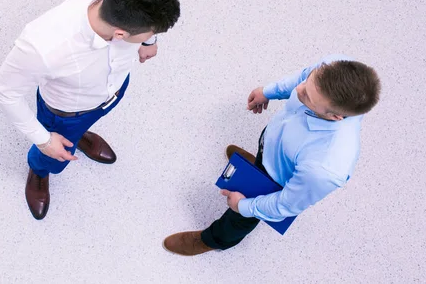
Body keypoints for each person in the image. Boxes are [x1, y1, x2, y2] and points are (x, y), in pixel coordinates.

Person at [0, 0, 180, 220]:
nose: (151, 38)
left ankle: (79, 136)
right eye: (148, 34)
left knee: (87, 123)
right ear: (121, 35)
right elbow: (3, 92)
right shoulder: (43, 46)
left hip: (111, 91)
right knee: (54, 153)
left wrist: (148, 41)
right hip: (66, 113)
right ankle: (40, 170)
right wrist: (44, 139)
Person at [163, 54, 381, 255]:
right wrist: (269, 92)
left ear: (335, 117)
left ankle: (214, 240)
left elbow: (283, 206)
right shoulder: (334, 69)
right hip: (273, 144)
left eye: (307, 96)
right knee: (262, 156)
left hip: (276, 182)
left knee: (240, 219)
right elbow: (303, 76)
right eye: (307, 83)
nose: (298, 90)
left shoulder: (324, 168)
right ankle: (255, 166)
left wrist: (244, 206)